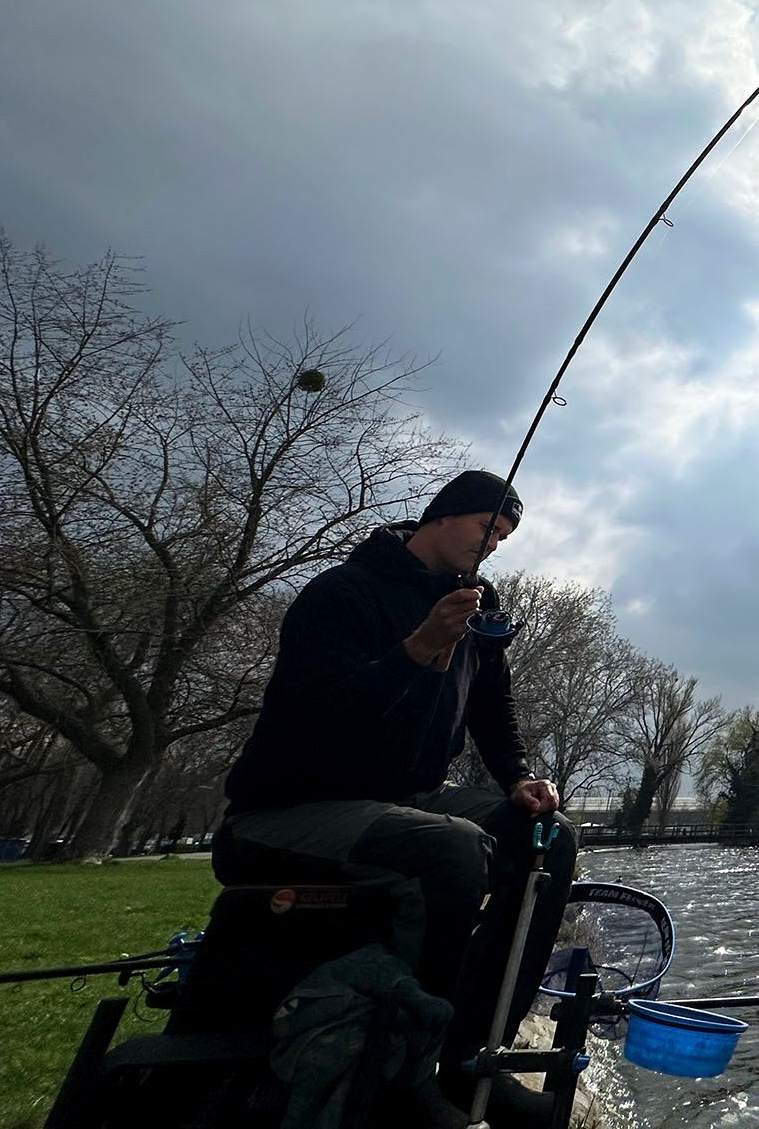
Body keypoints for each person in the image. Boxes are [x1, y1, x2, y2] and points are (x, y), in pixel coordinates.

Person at [214, 470, 576, 1127]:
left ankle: (472, 1059)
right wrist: (418, 648)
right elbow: (318, 715)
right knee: (453, 852)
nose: (492, 545)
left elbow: (496, 710)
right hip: (289, 810)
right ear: (442, 516)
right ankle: (409, 1072)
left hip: (411, 799)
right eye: (485, 527)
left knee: (548, 836)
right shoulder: (342, 594)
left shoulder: (476, 602)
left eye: (503, 536)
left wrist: (518, 776)